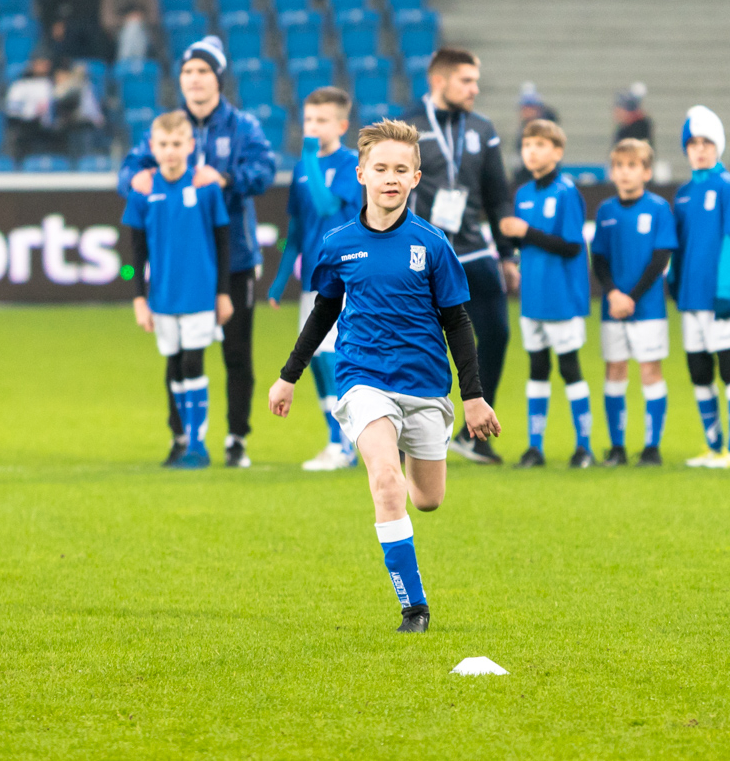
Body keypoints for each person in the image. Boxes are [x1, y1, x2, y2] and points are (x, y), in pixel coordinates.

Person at [268, 118, 500, 634]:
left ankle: (402, 459)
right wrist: (289, 375)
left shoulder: (432, 244)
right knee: (385, 482)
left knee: (428, 500)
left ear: (415, 178)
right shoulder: (337, 243)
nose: (390, 178)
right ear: (361, 174)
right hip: (363, 378)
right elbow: (324, 312)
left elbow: (457, 322)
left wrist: (473, 396)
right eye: (380, 168)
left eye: (400, 169)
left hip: (425, 387)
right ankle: (414, 608)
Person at [119, 37, 277, 469]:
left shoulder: (242, 126)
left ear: (218, 79)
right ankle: (182, 437)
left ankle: (236, 439)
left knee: (237, 352)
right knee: (179, 356)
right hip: (180, 268)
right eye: (187, 72)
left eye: (203, 71)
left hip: (234, 258)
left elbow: (265, 170)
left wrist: (225, 179)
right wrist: (136, 180)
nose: (194, 79)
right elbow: (129, 171)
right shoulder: (168, 128)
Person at [402, 48, 517, 466]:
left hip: (472, 248)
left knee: (497, 333)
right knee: (415, 343)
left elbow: (497, 196)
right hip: (421, 253)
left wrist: (507, 255)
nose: (475, 89)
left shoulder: (483, 129)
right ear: (440, 81)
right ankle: (406, 435)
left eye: (475, 81)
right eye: (466, 81)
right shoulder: (407, 128)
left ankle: (474, 432)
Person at [124, 112, 234, 469]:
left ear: (190, 145)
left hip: (200, 293)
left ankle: (198, 444)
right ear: (152, 147)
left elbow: (223, 242)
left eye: (176, 143)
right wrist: (139, 298)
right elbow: (135, 252)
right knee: (173, 364)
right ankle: (182, 439)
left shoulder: (206, 187)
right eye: (163, 144)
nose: (170, 151)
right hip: (162, 296)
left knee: (192, 361)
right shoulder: (142, 190)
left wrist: (223, 292)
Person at [267, 87, 363, 472]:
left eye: (322, 120)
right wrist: (279, 281)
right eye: (308, 119)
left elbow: (327, 206)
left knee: (334, 357)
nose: (313, 127)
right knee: (318, 361)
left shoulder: (351, 164)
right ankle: (336, 440)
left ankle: (346, 445)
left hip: (344, 276)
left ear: (341, 125)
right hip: (312, 277)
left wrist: (309, 158)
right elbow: (297, 229)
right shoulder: (301, 170)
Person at [499, 120, 592, 469]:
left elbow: (572, 246)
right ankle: (534, 448)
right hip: (533, 297)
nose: (532, 151)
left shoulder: (567, 192)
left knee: (570, 368)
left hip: (562, 296)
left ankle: (583, 448)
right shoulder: (523, 193)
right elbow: (527, 242)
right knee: (537, 368)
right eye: (527, 145)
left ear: (558, 152)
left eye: (540, 145)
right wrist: (512, 239)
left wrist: (525, 231)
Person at [672, 105, 730, 469]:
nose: (700, 149)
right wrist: (674, 278)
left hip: (718, 299)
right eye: (693, 143)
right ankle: (713, 446)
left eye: (707, 142)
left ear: (718, 145)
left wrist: (725, 290)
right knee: (699, 373)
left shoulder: (729, 188)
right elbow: (678, 245)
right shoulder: (683, 193)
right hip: (690, 299)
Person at [591, 139, 676, 466]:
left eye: (632, 166)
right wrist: (613, 293)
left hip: (648, 308)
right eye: (619, 166)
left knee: (650, 370)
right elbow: (599, 258)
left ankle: (652, 448)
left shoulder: (658, 208)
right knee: (614, 369)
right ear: (612, 172)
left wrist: (632, 297)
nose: (625, 172)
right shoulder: (606, 211)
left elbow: (660, 258)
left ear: (647, 172)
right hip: (613, 308)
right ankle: (617, 447)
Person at [3, 55, 60, 159]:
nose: (44, 66)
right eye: (40, 63)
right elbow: (12, 110)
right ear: (33, 65)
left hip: (52, 129)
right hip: (26, 127)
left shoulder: (54, 83)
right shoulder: (21, 85)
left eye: (46, 63)